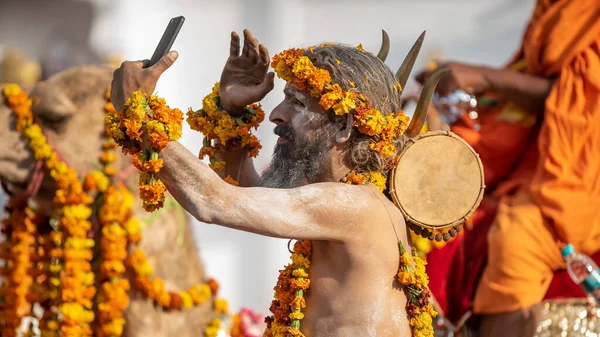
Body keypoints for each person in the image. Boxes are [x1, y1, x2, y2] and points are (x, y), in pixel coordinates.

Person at [110, 29, 447, 337]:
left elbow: (214, 201)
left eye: (297, 103)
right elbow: (244, 196)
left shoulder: (351, 205)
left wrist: (138, 115)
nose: (275, 115)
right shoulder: (344, 203)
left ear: (344, 126)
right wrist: (232, 111)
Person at [416, 0, 600, 336]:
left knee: (518, 239)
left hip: (583, 173)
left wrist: (485, 77)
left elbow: (586, 96)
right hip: (537, 160)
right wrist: (465, 87)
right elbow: (535, 77)